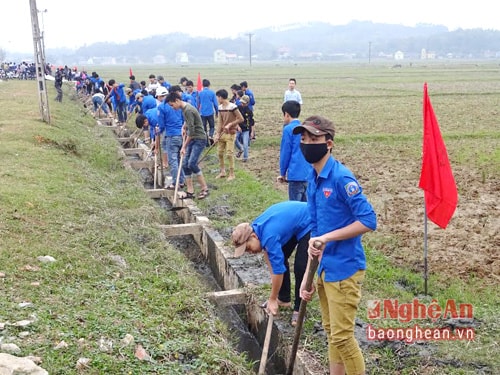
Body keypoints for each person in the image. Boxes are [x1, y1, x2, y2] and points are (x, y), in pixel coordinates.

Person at [294, 116, 377, 375]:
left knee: (342, 337)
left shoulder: (341, 178)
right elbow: (316, 232)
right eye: (303, 138)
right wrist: (308, 276)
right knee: (331, 333)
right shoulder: (313, 177)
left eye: (313, 138)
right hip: (324, 270)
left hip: (344, 270)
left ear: (328, 143)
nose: (306, 143)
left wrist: (328, 238)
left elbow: (368, 220)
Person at [231, 201, 311, 325]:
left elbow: (278, 271)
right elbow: (272, 264)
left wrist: (272, 298)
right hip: (293, 222)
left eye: (247, 248)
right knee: (280, 257)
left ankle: (300, 309)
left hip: (309, 220)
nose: (249, 252)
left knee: (301, 267)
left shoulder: (269, 237)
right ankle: (284, 299)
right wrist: (273, 297)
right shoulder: (258, 229)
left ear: (254, 237)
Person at [166, 92, 209, 200]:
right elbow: (189, 122)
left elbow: (192, 132)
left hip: (199, 139)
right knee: (185, 165)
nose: (172, 107)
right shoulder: (184, 109)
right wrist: (184, 127)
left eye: (172, 105)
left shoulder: (188, 110)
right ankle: (190, 191)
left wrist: (184, 146)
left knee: (192, 163)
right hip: (193, 139)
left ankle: (205, 188)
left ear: (177, 100)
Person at [277, 100, 312, 201]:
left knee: (295, 207)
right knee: (307, 207)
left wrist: (283, 173)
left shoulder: (288, 129)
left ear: (286, 114)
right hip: (308, 174)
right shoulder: (305, 129)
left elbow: (285, 153)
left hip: (295, 175)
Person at [157, 89, 185, 189]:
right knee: (179, 159)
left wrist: (158, 131)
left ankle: (175, 182)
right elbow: (183, 120)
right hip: (181, 135)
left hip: (171, 135)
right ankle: (181, 181)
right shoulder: (180, 106)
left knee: (173, 161)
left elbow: (161, 124)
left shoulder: (162, 107)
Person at [215, 89, 244, 181]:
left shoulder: (233, 107)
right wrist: (217, 133)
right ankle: (222, 171)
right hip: (222, 133)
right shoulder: (220, 108)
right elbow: (220, 121)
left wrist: (231, 124)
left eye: (218, 97)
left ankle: (232, 173)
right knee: (219, 153)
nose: (217, 99)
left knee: (229, 154)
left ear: (220, 97)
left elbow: (240, 119)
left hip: (231, 133)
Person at [198, 79, 219, 146]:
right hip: (210, 112)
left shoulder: (200, 93)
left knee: (204, 128)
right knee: (212, 126)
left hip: (202, 113)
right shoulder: (212, 93)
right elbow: (215, 104)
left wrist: (198, 112)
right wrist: (217, 112)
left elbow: (198, 104)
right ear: (209, 85)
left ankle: (206, 142)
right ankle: (210, 135)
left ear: (202, 85)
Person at [235, 95, 253, 162]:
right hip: (238, 128)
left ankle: (245, 157)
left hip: (246, 129)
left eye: (244, 103)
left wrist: (252, 131)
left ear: (247, 103)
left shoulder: (249, 111)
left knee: (245, 143)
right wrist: (237, 126)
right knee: (234, 138)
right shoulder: (238, 108)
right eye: (241, 102)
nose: (242, 104)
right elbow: (235, 117)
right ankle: (240, 148)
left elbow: (251, 121)